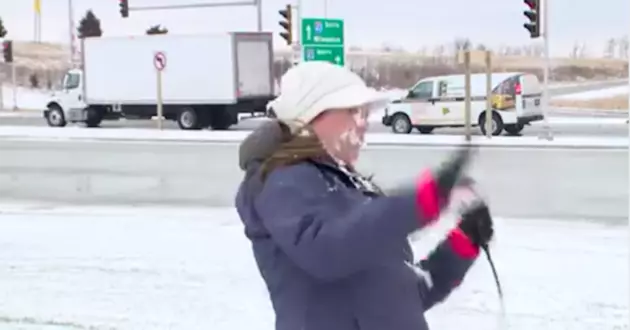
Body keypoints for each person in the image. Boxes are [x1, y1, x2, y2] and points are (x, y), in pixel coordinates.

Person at [235, 61, 494, 330]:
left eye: (365, 112)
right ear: (311, 116)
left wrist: (462, 244)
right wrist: (425, 199)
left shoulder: (351, 187)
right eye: (352, 111)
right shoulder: (282, 182)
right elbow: (328, 251)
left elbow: (401, 297)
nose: (363, 123)